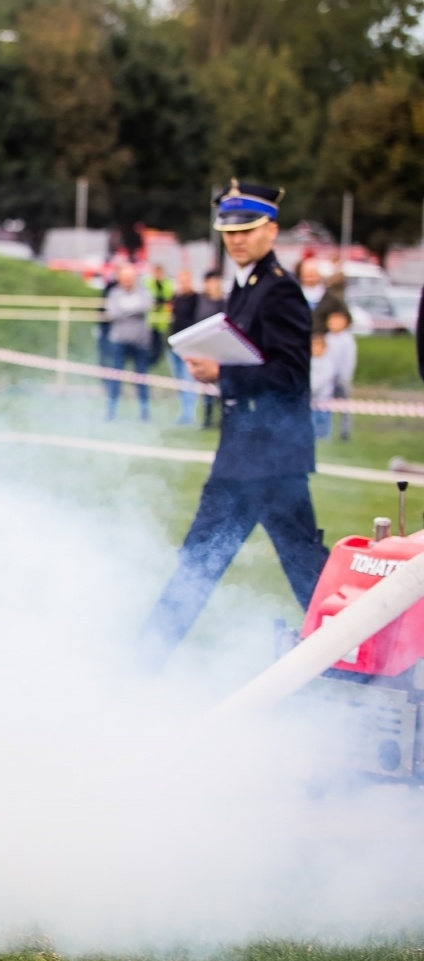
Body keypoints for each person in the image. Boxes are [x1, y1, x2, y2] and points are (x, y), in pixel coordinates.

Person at [139, 180, 329, 663]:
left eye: (246, 230)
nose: (236, 240)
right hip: (247, 453)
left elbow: (289, 375)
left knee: (303, 570)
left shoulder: (280, 290)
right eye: (229, 232)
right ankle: (144, 658)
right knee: (202, 562)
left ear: (271, 229)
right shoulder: (246, 288)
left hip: (270, 456)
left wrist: (224, 372)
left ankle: (356, 657)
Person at [101, 263, 156, 420]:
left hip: (140, 342)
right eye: (124, 278)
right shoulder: (114, 293)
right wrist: (133, 311)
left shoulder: (143, 292)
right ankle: (111, 411)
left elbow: (145, 306)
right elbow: (112, 313)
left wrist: (124, 311)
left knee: (141, 378)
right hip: (119, 341)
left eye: (130, 278)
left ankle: (144, 412)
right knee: (116, 378)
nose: (127, 281)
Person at [193, 269, 226, 428]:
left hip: (221, 348)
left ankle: (223, 419)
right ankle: (207, 418)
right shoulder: (200, 301)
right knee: (206, 386)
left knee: (222, 385)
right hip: (205, 348)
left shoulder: (225, 302)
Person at [166, 269, 198, 425]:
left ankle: (189, 414)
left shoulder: (196, 298)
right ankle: (184, 412)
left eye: (185, 280)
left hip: (189, 347)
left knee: (188, 381)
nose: (183, 283)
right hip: (174, 345)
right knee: (179, 382)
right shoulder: (176, 297)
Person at [324, 307, 357, 442]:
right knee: (326, 406)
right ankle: (326, 432)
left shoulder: (347, 340)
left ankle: (345, 432)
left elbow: (349, 360)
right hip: (328, 378)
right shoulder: (327, 338)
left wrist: (345, 377)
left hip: (342, 378)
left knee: (345, 407)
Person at [309, 329, 335, 440]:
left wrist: (309, 389)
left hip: (323, 402)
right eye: (313, 346)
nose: (315, 348)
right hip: (310, 403)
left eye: (318, 346)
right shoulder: (308, 361)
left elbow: (320, 382)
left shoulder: (328, 364)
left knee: (323, 427)